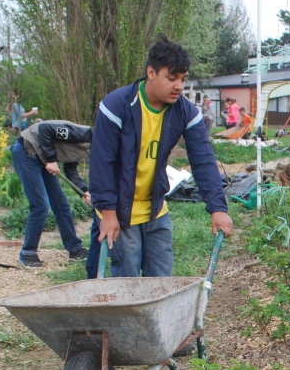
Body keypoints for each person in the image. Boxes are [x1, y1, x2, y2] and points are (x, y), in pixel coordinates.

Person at [90, 35, 232, 278]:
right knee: (128, 284)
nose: (178, 86)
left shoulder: (185, 111)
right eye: (172, 78)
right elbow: (102, 162)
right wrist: (108, 214)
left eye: (183, 79)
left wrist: (218, 207)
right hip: (121, 212)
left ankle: (156, 318)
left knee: (161, 282)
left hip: (156, 210)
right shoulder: (117, 106)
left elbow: (203, 159)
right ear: (151, 72)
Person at [13, 120, 91, 267]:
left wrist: (84, 191)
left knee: (61, 204)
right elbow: (45, 129)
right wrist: (51, 160)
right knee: (40, 205)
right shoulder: (83, 134)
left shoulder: (89, 147)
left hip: (42, 159)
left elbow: (71, 169)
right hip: (26, 151)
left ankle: (75, 250)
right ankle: (27, 253)